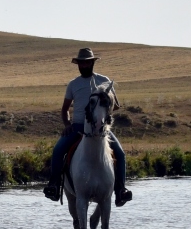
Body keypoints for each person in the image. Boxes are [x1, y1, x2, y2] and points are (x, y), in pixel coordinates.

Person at [43, 48, 132, 206]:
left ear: (92, 62)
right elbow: (64, 109)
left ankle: (120, 191)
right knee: (57, 151)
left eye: (87, 62)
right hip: (78, 126)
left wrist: (104, 111)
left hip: (101, 128)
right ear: (78, 64)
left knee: (120, 153)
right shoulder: (73, 84)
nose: (84, 66)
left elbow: (116, 106)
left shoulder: (104, 81)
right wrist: (67, 124)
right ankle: (54, 186)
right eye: (81, 63)